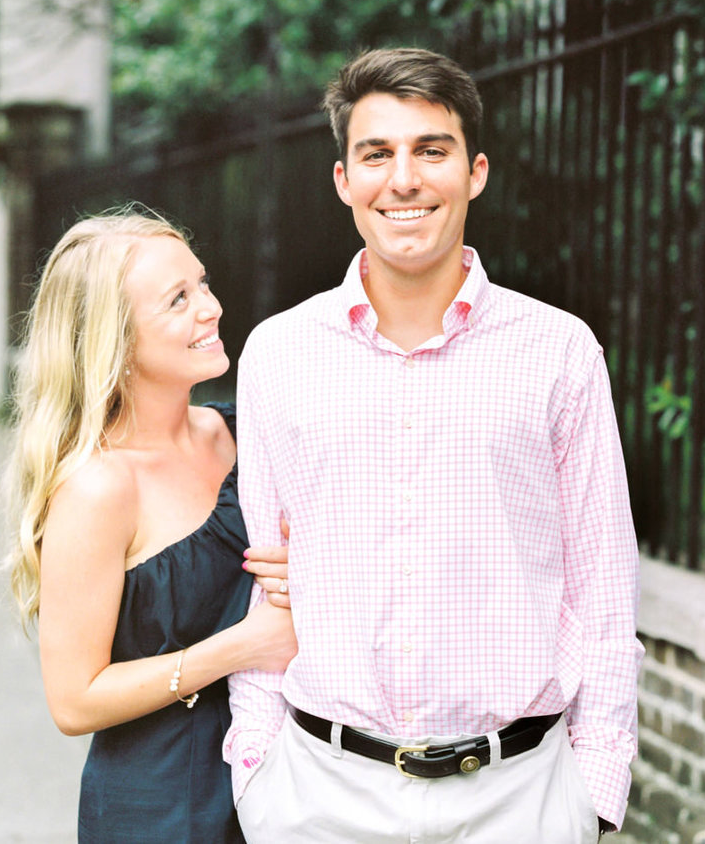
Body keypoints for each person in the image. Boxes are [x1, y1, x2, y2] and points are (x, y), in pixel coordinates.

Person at [225, 47, 643, 842]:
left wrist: (592, 791)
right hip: (318, 797)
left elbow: (603, 584)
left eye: (431, 150)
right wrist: (256, 769)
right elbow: (266, 578)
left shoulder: (558, 351)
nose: (405, 179)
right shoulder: (279, 353)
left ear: (475, 172)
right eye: (377, 153)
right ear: (344, 179)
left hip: (518, 800)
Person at [4, 207, 296, 844]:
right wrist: (242, 646)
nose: (211, 307)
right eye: (178, 300)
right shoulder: (98, 487)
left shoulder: (243, 430)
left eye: (203, 283)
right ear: (116, 341)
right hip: (165, 808)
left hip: (285, 785)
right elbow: (74, 700)